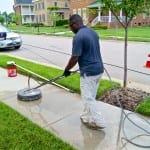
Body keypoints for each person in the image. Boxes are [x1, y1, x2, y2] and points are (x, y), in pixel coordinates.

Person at [63, 14, 105, 129]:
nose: (71, 29)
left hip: (89, 72)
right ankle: (85, 116)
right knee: (90, 97)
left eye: (70, 27)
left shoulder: (78, 37)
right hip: (99, 69)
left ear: (75, 24)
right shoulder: (93, 33)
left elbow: (75, 57)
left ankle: (99, 121)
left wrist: (66, 70)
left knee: (88, 98)